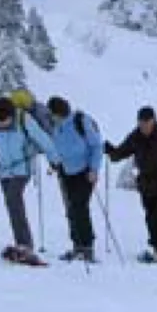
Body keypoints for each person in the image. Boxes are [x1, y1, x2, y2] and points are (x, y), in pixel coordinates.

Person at [0, 94, 57, 267]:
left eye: (5, 121)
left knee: (14, 199)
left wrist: (54, 160)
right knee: (11, 203)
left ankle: (25, 245)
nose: (1, 125)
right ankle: (20, 243)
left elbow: (43, 139)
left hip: (22, 167)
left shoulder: (24, 119)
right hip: (3, 170)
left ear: (12, 115)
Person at [104, 106, 157, 263]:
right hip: (146, 183)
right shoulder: (135, 136)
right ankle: (156, 247)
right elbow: (122, 151)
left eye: (146, 123)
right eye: (141, 123)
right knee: (150, 216)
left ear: (154, 121)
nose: (143, 127)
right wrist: (111, 151)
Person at [44, 96, 105, 263]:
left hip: (85, 172)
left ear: (59, 112)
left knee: (80, 206)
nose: (50, 117)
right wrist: (54, 164)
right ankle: (77, 245)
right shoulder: (57, 127)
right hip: (66, 172)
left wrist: (94, 169)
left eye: (52, 113)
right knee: (71, 208)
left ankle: (87, 247)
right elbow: (58, 147)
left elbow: (96, 145)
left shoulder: (80, 121)